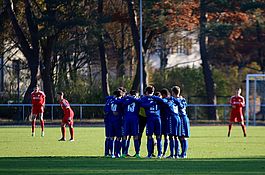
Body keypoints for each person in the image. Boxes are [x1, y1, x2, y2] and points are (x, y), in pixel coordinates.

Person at [140, 86, 165, 158]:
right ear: (153, 91)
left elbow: (142, 104)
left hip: (150, 119)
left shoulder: (145, 98)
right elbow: (163, 102)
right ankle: (159, 154)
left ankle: (149, 154)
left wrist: (150, 102)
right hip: (157, 118)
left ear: (147, 92)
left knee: (150, 136)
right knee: (158, 137)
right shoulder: (157, 99)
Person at [171, 86, 190, 158]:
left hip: (182, 118)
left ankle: (184, 154)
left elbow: (181, 106)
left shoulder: (180, 100)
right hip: (181, 118)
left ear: (173, 92)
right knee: (179, 137)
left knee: (183, 136)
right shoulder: (181, 99)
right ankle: (180, 153)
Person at [121, 90, 141, 158]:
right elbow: (140, 102)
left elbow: (122, 104)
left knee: (125, 136)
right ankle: (137, 153)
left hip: (126, 119)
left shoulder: (126, 99)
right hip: (134, 120)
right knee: (135, 136)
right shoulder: (137, 100)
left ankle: (124, 153)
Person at [109, 89, 124, 158]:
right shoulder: (120, 101)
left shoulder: (111, 101)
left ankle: (111, 153)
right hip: (118, 121)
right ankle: (117, 153)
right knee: (118, 138)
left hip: (111, 121)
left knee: (111, 138)